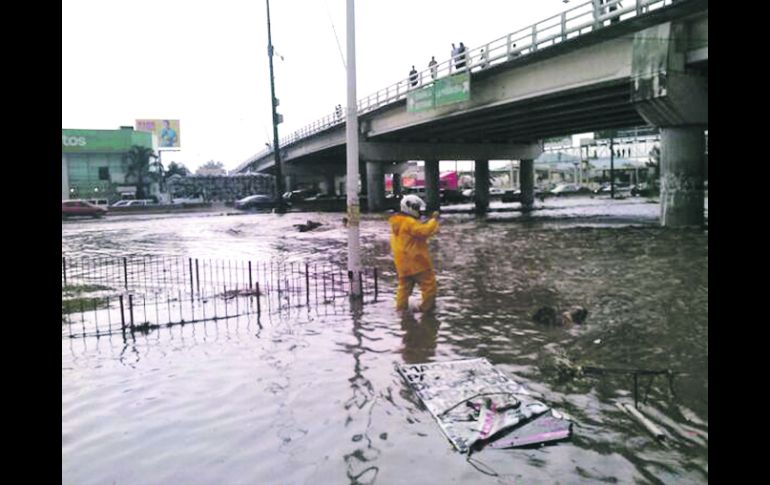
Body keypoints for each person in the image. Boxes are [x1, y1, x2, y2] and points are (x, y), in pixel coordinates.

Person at [389, 195, 439, 313]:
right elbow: (424, 231)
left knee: (404, 289)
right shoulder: (409, 222)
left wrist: (429, 225)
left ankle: (401, 312)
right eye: (417, 208)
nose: (419, 211)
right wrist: (434, 220)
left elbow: (417, 232)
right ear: (410, 207)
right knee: (429, 287)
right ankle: (426, 311)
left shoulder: (398, 223)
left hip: (402, 265)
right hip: (417, 262)